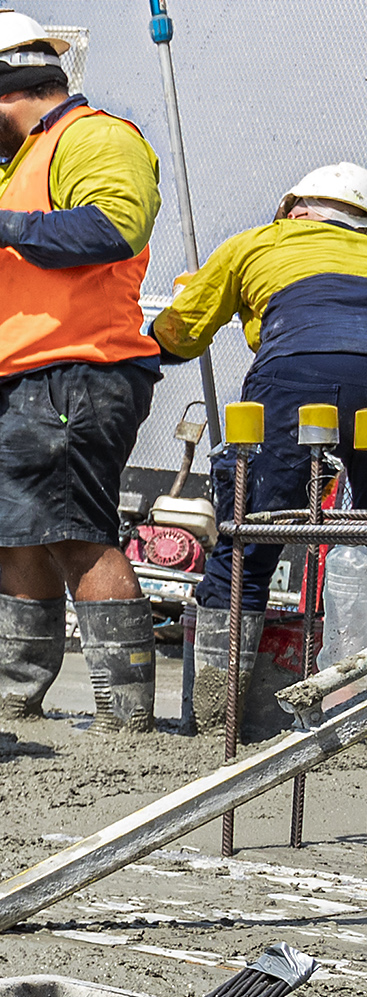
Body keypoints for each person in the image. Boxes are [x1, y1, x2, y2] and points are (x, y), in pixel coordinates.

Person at [0, 11, 168, 731]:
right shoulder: (19, 168)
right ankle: (13, 697)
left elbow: (113, 227)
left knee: (74, 533)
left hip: (73, 370)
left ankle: (124, 717)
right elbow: (1, 294)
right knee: (17, 536)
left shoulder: (93, 136)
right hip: (14, 379)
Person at [147, 162, 367, 734]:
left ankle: (219, 720)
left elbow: (179, 334)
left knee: (249, 540)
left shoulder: (259, 243)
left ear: (296, 209)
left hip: (294, 379)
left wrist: (202, 294)